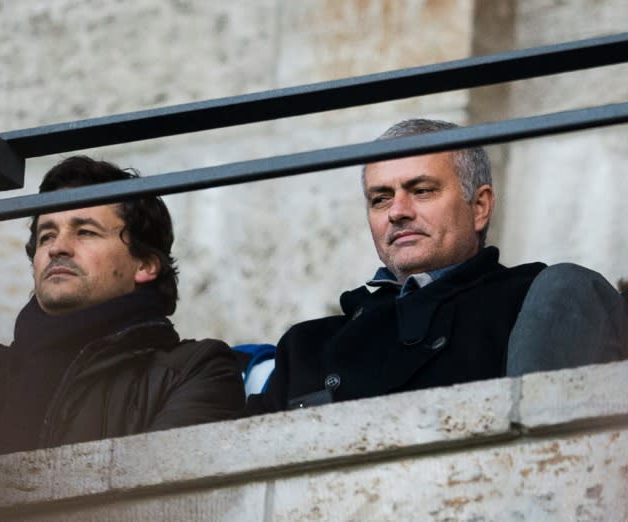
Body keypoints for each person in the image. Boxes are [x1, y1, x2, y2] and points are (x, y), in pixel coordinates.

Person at [246, 118, 628, 414]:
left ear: (479, 206)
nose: (397, 211)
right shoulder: (306, 345)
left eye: (421, 190)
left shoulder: (536, 299)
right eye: (380, 198)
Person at [0, 155, 244, 465]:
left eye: (86, 232)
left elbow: (166, 506)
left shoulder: (193, 371)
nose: (58, 248)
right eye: (46, 236)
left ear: (145, 265)